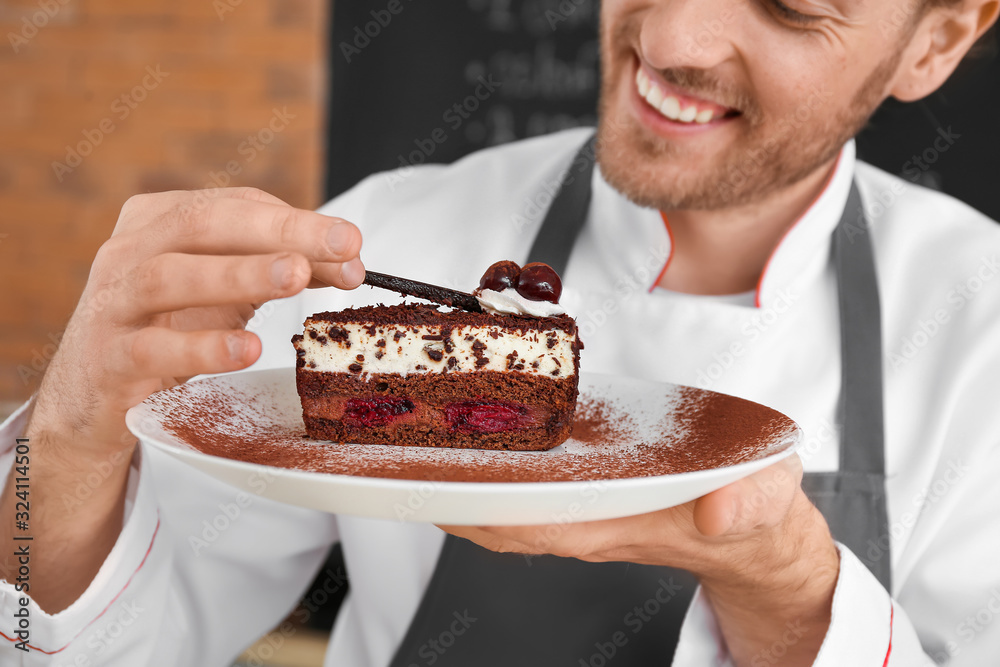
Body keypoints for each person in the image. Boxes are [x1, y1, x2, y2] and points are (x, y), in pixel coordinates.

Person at [2, 0, 999, 664]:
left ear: (937, 39)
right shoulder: (396, 230)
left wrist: (789, 590)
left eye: (788, 2)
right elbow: (89, 642)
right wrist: (62, 448)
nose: (674, 37)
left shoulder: (976, 326)